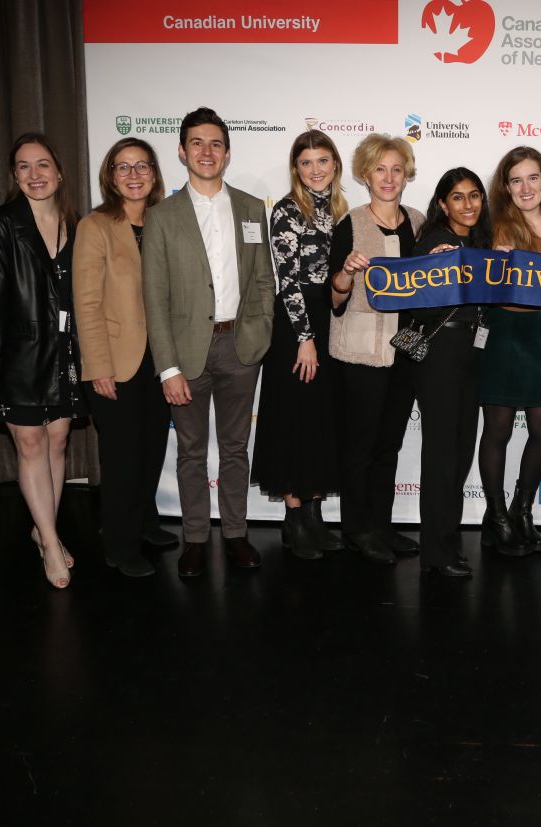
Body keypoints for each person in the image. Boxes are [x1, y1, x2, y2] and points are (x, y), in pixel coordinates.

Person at [141, 107, 275, 579]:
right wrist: (168, 367)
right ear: (181, 151)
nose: (206, 151)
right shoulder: (161, 217)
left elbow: (262, 280)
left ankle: (236, 534)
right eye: (196, 142)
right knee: (192, 451)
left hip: (240, 347)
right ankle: (195, 539)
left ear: (227, 152)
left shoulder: (250, 207)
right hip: (186, 353)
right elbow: (154, 298)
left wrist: (260, 333)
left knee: (236, 448)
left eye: (215, 143)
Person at [0, 132, 84, 589]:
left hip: (66, 355)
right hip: (18, 357)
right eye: (24, 166)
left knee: (57, 441)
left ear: (59, 173)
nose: (35, 175)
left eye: (43, 165)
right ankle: (52, 545)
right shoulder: (0, 224)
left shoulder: (79, 225)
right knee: (31, 445)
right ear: (14, 176)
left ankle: (44, 531)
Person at [74, 137, 177, 578]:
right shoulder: (95, 226)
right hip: (116, 361)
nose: (134, 175)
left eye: (142, 166)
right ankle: (118, 543)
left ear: (154, 173)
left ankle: (146, 521)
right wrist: (97, 367)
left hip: (161, 360)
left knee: (152, 448)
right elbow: (86, 303)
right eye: (123, 167)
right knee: (122, 457)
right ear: (110, 176)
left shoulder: (165, 222)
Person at [251, 130, 348, 560]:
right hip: (297, 325)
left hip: (329, 320)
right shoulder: (288, 210)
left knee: (320, 419)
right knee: (294, 419)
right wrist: (305, 340)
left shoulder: (340, 209)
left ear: (335, 165)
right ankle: (294, 521)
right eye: (306, 163)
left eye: (322, 161)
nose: (315, 170)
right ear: (296, 168)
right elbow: (287, 281)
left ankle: (314, 516)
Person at [328, 134, 423, 565]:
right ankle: (356, 530)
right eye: (380, 169)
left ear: (406, 175)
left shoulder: (419, 223)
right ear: (365, 175)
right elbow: (334, 298)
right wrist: (346, 272)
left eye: (396, 169)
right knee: (360, 447)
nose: (389, 178)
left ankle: (382, 526)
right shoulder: (349, 224)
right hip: (362, 354)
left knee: (390, 446)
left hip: (405, 353)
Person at [478, 147, 541, 558]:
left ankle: (522, 510)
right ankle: (496, 517)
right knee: (497, 430)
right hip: (501, 329)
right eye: (516, 180)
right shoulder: (493, 224)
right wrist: (490, 265)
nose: (525, 187)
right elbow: (471, 281)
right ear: (506, 186)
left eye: (532, 178)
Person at [397, 168, 493, 579]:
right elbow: (414, 306)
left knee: (460, 453)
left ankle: (447, 542)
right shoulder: (435, 245)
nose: (468, 204)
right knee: (441, 456)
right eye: (458, 197)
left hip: (471, 354)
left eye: (474, 196)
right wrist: (430, 274)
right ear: (442, 203)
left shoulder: (482, 243)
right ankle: (436, 551)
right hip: (439, 356)